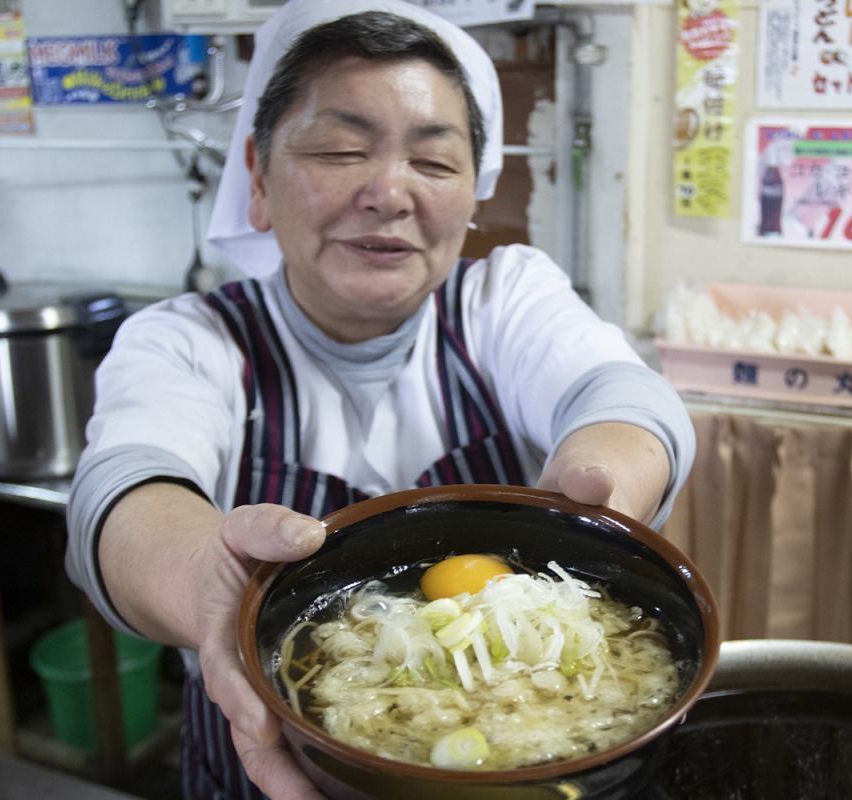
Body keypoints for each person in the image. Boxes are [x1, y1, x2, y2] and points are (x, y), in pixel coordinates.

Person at [64, 2, 696, 799]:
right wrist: (204, 578)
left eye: (434, 164)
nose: (389, 193)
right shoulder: (187, 339)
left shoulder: (504, 298)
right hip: (263, 766)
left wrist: (598, 480)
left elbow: (623, 395)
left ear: (473, 194)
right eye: (339, 149)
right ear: (256, 179)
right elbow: (122, 494)